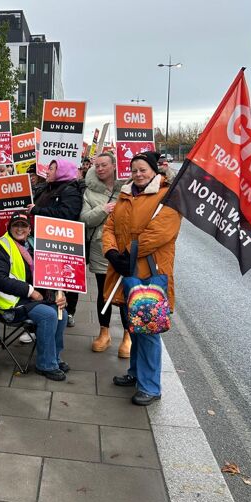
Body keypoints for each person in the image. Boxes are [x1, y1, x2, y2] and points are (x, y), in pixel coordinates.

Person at [102, 151, 182, 406]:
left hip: (150, 272)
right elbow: (110, 226)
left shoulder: (168, 197)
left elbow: (160, 233)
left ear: (154, 171)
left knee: (147, 329)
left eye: (143, 170)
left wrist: (128, 253)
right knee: (133, 325)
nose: (138, 174)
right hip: (126, 270)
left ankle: (150, 386)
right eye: (134, 170)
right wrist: (112, 252)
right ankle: (135, 373)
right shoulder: (126, 194)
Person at [0, 211, 69, 381]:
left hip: (29, 299)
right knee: (49, 315)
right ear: (9, 227)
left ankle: (54, 358)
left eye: (24, 225)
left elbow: (47, 273)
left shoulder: (33, 245)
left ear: (29, 229)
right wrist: (31, 291)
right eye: (16, 225)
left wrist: (58, 293)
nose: (20, 229)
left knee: (61, 313)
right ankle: (46, 365)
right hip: (9, 302)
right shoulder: (0, 246)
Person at [80, 151, 130, 356]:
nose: (100, 169)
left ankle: (128, 335)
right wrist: (104, 209)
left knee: (127, 292)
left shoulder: (128, 187)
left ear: (114, 165)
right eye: (97, 165)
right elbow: (84, 219)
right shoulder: (89, 191)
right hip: (101, 249)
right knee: (104, 292)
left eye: (104, 165)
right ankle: (104, 332)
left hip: (124, 247)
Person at [28, 158, 85, 327]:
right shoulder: (45, 188)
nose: (47, 171)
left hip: (61, 244)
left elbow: (67, 215)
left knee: (64, 282)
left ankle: (65, 313)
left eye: (52, 168)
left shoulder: (70, 191)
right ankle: (43, 314)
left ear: (61, 172)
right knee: (42, 280)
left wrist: (38, 211)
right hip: (41, 242)